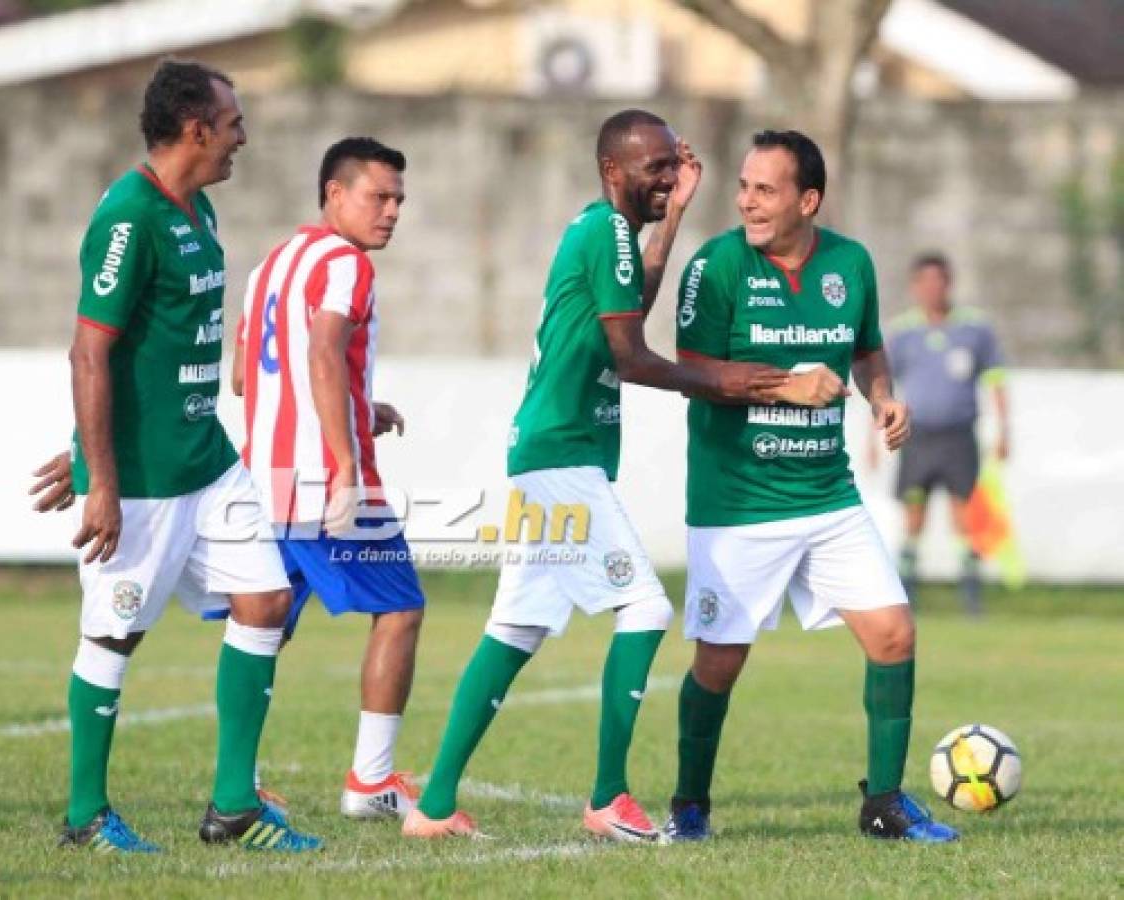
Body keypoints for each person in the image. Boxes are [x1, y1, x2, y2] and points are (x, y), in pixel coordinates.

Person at [402, 109, 790, 842]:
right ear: (613, 170)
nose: (667, 179)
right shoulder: (604, 231)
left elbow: (628, 310)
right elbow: (629, 356)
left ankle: (433, 806)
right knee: (644, 609)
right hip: (561, 458)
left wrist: (672, 220)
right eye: (655, 170)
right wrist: (726, 384)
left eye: (672, 170)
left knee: (514, 629)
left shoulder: (606, 231)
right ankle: (608, 796)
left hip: (548, 453)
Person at [664, 130, 958, 843]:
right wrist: (783, 386)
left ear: (808, 200)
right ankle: (689, 805)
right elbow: (688, 371)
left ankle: (883, 803)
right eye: (742, 186)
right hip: (736, 503)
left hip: (827, 496)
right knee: (718, 664)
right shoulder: (716, 265)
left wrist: (881, 396)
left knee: (892, 634)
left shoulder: (849, 263)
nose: (745, 201)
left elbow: (864, 349)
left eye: (763, 190)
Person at [56, 59, 320, 853]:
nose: (243, 137)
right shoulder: (130, 217)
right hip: (140, 479)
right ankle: (84, 818)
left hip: (209, 461)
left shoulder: (198, 208)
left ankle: (234, 806)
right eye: (233, 123)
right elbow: (89, 353)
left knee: (266, 601)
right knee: (113, 636)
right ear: (196, 129)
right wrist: (96, 475)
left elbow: (148, 348)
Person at [231, 137, 424, 820]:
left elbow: (242, 376)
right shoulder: (344, 265)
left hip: (265, 476)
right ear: (334, 194)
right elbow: (319, 348)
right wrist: (343, 463)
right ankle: (371, 782)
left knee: (261, 628)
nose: (393, 210)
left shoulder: (269, 266)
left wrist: (357, 406)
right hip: (321, 480)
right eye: (379, 196)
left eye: (398, 197)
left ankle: (238, 783)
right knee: (399, 610)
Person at [875, 252, 1009, 613]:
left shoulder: (974, 328)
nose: (932, 289)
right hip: (917, 436)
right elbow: (882, 385)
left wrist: (1003, 430)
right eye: (925, 282)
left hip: (958, 434)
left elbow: (996, 379)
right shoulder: (903, 331)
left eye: (939, 281)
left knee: (963, 512)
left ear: (949, 283)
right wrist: (873, 435)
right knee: (914, 511)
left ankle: (970, 593)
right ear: (915, 286)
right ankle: (906, 590)